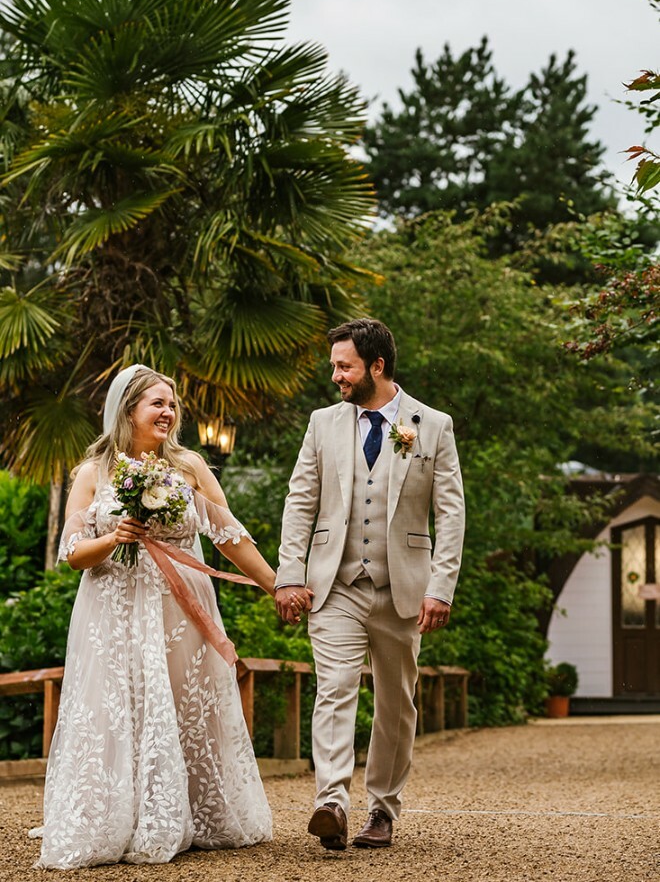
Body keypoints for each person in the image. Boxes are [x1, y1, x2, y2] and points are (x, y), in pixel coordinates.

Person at [33, 364, 278, 869]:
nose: (168, 413)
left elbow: (230, 537)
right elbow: (72, 553)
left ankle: (190, 813)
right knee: (118, 706)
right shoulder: (93, 473)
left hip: (179, 609)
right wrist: (114, 537)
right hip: (113, 610)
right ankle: (116, 815)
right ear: (128, 410)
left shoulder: (190, 467)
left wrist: (278, 585)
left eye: (172, 405)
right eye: (157, 404)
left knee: (184, 704)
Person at [275, 319, 465, 850]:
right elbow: (300, 501)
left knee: (396, 704)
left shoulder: (433, 425)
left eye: (345, 366)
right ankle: (331, 803)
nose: (336, 375)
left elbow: (451, 513)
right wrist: (289, 575)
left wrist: (441, 587)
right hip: (334, 583)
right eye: (335, 365)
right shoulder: (322, 423)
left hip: (404, 587)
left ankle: (382, 808)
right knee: (334, 689)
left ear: (376, 366)